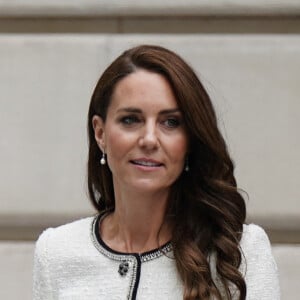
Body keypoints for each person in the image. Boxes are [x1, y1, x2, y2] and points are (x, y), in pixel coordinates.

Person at [33, 45, 280, 300]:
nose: (149, 139)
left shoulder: (240, 252)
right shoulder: (56, 252)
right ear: (100, 133)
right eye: (130, 119)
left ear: (190, 141)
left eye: (170, 122)